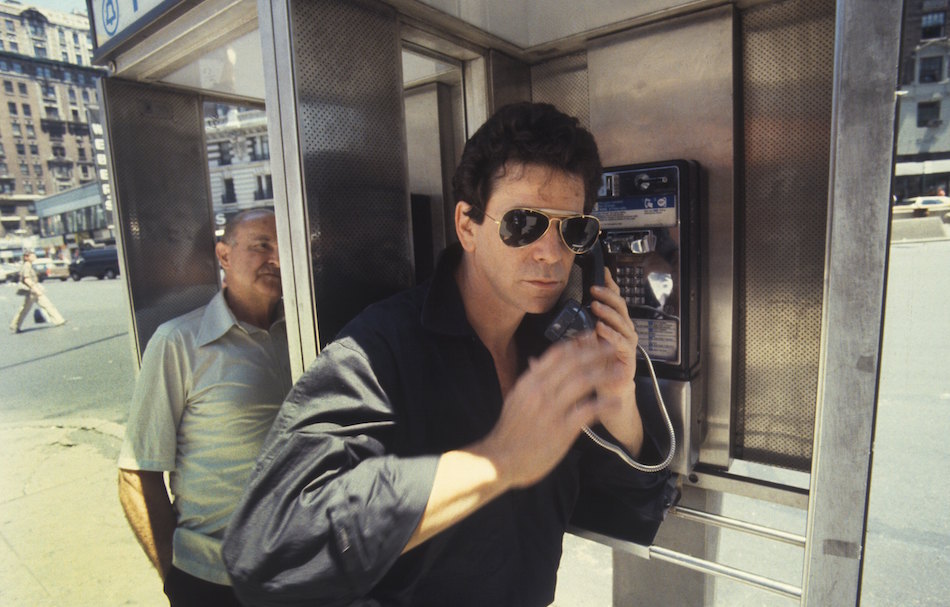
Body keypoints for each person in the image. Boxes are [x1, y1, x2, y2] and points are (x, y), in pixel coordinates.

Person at [223, 103, 671, 607]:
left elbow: (630, 515)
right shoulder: (381, 350)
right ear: (467, 226)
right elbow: (269, 547)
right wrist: (492, 462)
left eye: (573, 230)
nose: (550, 253)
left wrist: (618, 404)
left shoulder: (554, 350)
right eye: (523, 224)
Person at [117, 208, 292, 607]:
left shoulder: (303, 332)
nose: (277, 259)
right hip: (213, 580)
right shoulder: (179, 342)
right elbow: (136, 472)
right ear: (224, 255)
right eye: (261, 245)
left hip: (302, 573)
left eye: (285, 247)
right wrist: (174, 580)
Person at [9, 250, 67, 333]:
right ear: (26, 257)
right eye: (32, 255)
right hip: (32, 291)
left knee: (47, 304)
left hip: (34, 290)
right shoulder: (26, 265)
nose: (34, 256)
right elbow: (26, 279)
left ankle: (59, 320)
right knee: (25, 309)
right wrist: (36, 289)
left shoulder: (29, 265)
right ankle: (14, 325)